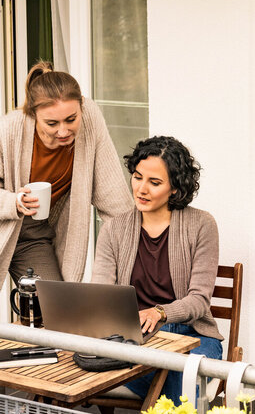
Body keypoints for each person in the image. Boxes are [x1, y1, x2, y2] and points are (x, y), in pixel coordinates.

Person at [0, 61, 134, 317]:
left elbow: (112, 194)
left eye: (71, 119)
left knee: (56, 311)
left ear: (81, 108)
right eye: (52, 123)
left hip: (32, 234)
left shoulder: (90, 119)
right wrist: (13, 202)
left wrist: (133, 239)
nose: (63, 131)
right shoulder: (7, 129)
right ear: (33, 115)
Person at [91, 136, 222, 404]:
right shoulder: (114, 229)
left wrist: (160, 312)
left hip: (194, 335)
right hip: (135, 339)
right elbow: (100, 295)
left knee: (179, 373)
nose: (141, 189)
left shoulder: (202, 225)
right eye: (138, 177)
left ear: (175, 187)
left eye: (155, 182)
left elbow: (199, 300)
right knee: (163, 373)